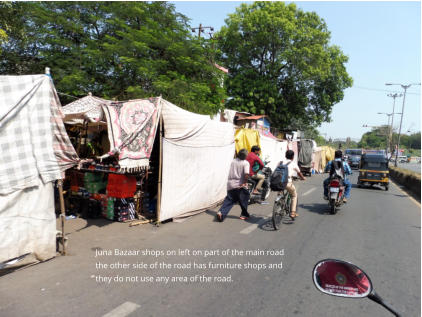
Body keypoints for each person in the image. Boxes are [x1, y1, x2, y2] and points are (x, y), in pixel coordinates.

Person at [216, 149, 251, 222]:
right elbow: (246, 174)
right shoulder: (245, 163)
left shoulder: (232, 161)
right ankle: (243, 214)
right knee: (244, 198)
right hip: (239, 184)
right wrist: (245, 183)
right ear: (245, 156)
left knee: (230, 200)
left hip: (230, 184)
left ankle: (221, 212)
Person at [280, 150, 306, 219]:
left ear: (285, 156)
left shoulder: (281, 162)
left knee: (280, 192)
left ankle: (279, 202)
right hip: (287, 182)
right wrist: (303, 178)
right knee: (294, 195)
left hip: (278, 182)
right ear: (293, 157)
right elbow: (299, 173)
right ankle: (293, 212)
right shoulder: (293, 164)